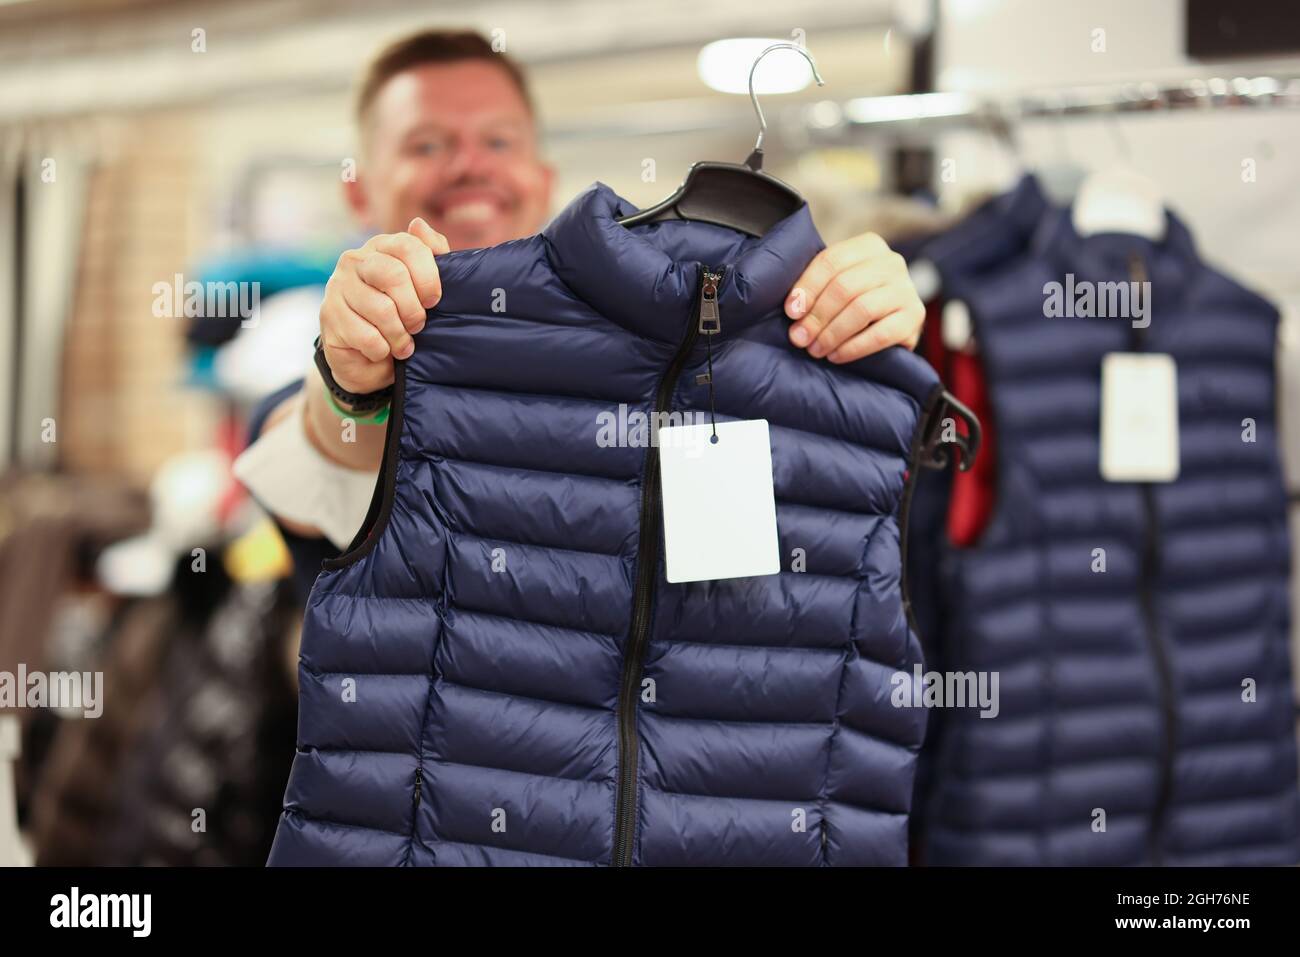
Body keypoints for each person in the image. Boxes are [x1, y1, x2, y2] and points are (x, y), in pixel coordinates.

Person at [236, 29, 928, 602]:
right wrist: (351, 385)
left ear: (541, 177)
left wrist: (867, 363)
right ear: (358, 194)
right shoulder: (340, 368)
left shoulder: (670, 359)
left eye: (499, 142)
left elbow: (735, 586)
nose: (470, 166)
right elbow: (320, 460)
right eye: (426, 145)